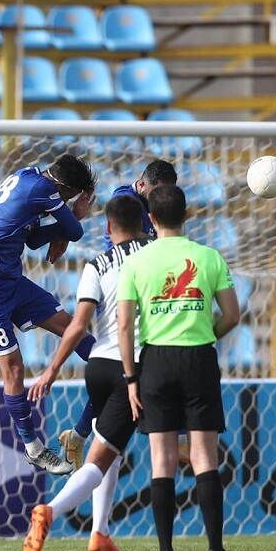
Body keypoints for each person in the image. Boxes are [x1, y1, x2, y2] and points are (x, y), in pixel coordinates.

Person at [22, 194, 153, 551]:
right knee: (105, 458)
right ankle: (51, 510)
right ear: (145, 224)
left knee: (109, 445)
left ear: (109, 228)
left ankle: (99, 533)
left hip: (97, 365)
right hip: (138, 364)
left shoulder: (97, 264)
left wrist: (51, 370)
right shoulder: (158, 254)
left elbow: (79, 325)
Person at [116, 184, 241, 551]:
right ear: (187, 216)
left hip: (156, 361)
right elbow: (233, 315)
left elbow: (123, 327)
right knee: (205, 456)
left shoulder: (136, 262)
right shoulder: (209, 257)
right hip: (198, 358)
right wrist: (205, 337)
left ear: (149, 220)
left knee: (162, 460)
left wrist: (131, 379)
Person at [0, 154, 96, 474]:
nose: (68, 202)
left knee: (71, 326)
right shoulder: (45, 189)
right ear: (63, 187)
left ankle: (107, 364)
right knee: (14, 367)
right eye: (70, 196)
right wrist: (75, 216)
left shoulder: (28, 175)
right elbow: (76, 231)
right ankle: (34, 448)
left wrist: (59, 231)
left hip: (9, 280)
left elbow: (34, 239)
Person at [60, 159, 178, 470]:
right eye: (155, 194)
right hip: (116, 292)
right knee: (126, 373)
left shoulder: (152, 207)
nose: (159, 201)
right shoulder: (126, 200)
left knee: (121, 384)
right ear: (142, 186)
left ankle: (80, 435)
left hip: (140, 292)